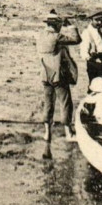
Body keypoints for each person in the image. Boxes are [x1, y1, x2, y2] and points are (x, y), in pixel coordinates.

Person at [37, 11, 81, 142]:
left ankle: (47, 133)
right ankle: (68, 132)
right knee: (65, 103)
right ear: (56, 25)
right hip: (58, 75)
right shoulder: (56, 37)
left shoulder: (40, 36)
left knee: (48, 104)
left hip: (45, 74)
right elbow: (76, 40)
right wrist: (71, 26)